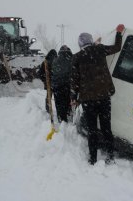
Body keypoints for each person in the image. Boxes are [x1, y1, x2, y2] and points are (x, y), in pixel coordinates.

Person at [71, 24, 125, 165]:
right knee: (106, 128)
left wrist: (74, 98)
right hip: (103, 97)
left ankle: (93, 158)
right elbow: (117, 48)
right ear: (90, 41)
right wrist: (119, 33)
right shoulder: (99, 50)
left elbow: (75, 81)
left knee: (92, 130)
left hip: (88, 100)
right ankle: (110, 155)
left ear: (80, 44)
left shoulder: (77, 57)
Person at [51, 45, 73, 123]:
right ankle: (67, 114)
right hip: (68, 85)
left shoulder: (55, 60)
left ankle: (61, 118)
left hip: (57, 86)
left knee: (59, 103)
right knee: (67, 101)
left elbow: (52, 73)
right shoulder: (71, 59)